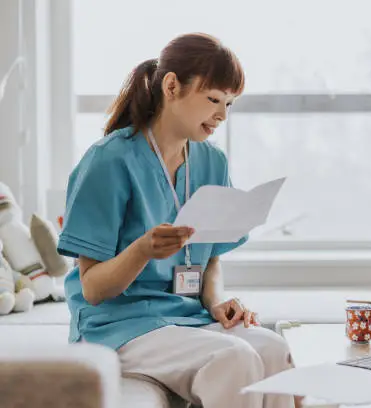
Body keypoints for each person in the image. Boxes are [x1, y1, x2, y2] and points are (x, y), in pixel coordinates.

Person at [57, 33, 296, 408]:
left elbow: (211, 256)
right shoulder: (108, 161)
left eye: (230, 104)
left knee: (273, 348)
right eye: (214, 99)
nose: (222, 115)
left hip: (183, 318)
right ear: (172, 86)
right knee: (234, 358)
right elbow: (92, 289)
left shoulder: (211, 161)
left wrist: (215, 301)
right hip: (117, 327)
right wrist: (141, 250)